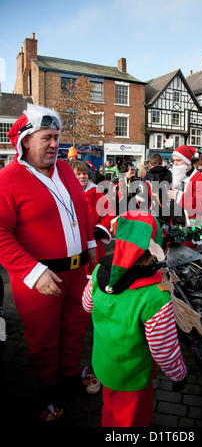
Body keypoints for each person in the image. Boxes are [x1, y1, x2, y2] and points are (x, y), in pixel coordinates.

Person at [0, 104, 97, 422]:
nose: (55, 144)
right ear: (26, 141)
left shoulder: (66, 169)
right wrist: (31, 270)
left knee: (75, 330)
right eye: (48, 137)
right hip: (38, 279)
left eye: (57, 136)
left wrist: (92, 243)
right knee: (43, 340)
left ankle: (70, 377)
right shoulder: (8, 179)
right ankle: (48, 392)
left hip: (76, 272)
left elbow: (81, 208)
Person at [82, 211, 187, 427]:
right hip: (132, 377)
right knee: (131, 422)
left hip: (103, 364)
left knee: (110, 411)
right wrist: (179, 374)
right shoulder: (156, 297)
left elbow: (86, 305)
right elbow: (163, 348)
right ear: (152, 252)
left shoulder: (99, 273)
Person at [70, 160, 115, 276]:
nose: (82, 176)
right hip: (74, 242)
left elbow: (109, 212)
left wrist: (101, 229)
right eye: (78, 174)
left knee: (94, 275)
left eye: (84, 173)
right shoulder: (65, 194)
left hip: (93, 242)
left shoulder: (96, 193)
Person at [168, 145, 202, 249]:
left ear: (187, 161)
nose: (175, 164)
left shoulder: (199, 179)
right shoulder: (179, 175)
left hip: (189, 228)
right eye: (174, 161)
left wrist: (177, 196)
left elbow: (199, 206)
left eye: (178, 160)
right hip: (176, 225)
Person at [138, 153, 172, 228]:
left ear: (150, 163)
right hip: (168, 211)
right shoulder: (170, 174)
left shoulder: (146, 177)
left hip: (153, 211)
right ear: (162, 162)